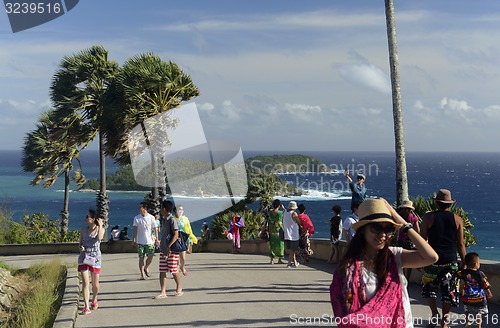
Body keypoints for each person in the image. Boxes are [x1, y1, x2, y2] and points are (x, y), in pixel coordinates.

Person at [330, 198, 439, 328]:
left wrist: (400, 220)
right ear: (363, 229)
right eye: (376, 227)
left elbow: (431, 257)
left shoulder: (395, 256)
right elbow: (345, 312)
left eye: (388, 229)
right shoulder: (348, 270)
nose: (383, 235)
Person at [420, 189, 466, 328]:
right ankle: (444, 322)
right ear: (450, 204)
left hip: (432, 260)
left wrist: (419, 259)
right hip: (450, 261)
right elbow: (461, 243)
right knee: (449, 292)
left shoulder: (428, 218)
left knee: (429, 290)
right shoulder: (457, 219)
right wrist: (464, 263)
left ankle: (434, 314)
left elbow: (422, 241)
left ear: (437, 203)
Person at [77, 209, 105, 315]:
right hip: (84, 257)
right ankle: (86, 306)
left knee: (95, 284)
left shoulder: (100, 229)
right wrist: (80, 247)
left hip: (95, 257)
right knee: (85, 282)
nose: (85, 218)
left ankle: (94, 299)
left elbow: (100, 238)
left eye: (87, 216)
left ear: (93, 219)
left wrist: (101, 225)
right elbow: (80, 242)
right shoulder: (83, 230)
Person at [155, 200, 183, 299]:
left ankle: (179, 287)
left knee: (173, 269)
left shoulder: (172, 220)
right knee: (162, 270)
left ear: (164, 209)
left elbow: (176, 235)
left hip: (171, 250)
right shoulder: (164, 220)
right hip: (163, 248)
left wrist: (169, 247)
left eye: (161, 208)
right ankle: (163, 292)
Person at [457, 252, 493, 328]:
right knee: (479, 312)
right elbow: (485, 284)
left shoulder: (463, 273)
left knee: (467, 310)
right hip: (479, 297)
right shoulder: (480, 274)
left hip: (467, 296)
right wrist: (489, 293)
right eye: (478, 262)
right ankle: (478, 326)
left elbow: (458, 274)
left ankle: (467, 323)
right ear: (475, 264)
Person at [132, 202, 158, 280]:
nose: (139, 209)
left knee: (150, 257)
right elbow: (135, 229)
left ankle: (146, 267)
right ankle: (142, 274)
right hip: (140, 242)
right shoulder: (137, 218)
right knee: (141, 258)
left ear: (145, 208)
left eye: (141, 207)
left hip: (149, 241)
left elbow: (155, 228)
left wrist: (157, 238)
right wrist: (134, 239)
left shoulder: (151, 217)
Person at [397, 200, 421, 279]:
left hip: (400, 241)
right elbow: (417, 231)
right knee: (409, 262)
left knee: (400, 261)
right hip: (408, 242)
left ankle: (400, 278)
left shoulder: (399, 216)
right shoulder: (414, 218)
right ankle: (406, 279)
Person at [174, 205, 198, 276]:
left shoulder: (185, 219)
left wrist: (190, 238)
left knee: (183, 257)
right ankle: (176, 270)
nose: (180, 211)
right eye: (179, 209)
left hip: (183, 238)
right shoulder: (173, 219)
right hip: (175, 238)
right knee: (176, 256)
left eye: (182, 209)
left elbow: (188, 229)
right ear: (176, 210)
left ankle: (182, 267)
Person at [283, 201, 302, 268]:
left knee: (291, 250)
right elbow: (299, 222)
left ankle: (295, 262)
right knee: (293, 250)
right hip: (293, 235)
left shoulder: (285, 213)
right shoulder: (294, 213)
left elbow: (285, 210)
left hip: (286, 234)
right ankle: (288, 264)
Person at [267, 199, 285, 264]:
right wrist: (283, 208)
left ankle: (272, 260)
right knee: (280, 245)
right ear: (279, 205)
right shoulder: (280, 213)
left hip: (271, 230)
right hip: (278, 230)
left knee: (272, 245)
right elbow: (285, 213)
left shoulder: (270, 212)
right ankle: (279, 259)